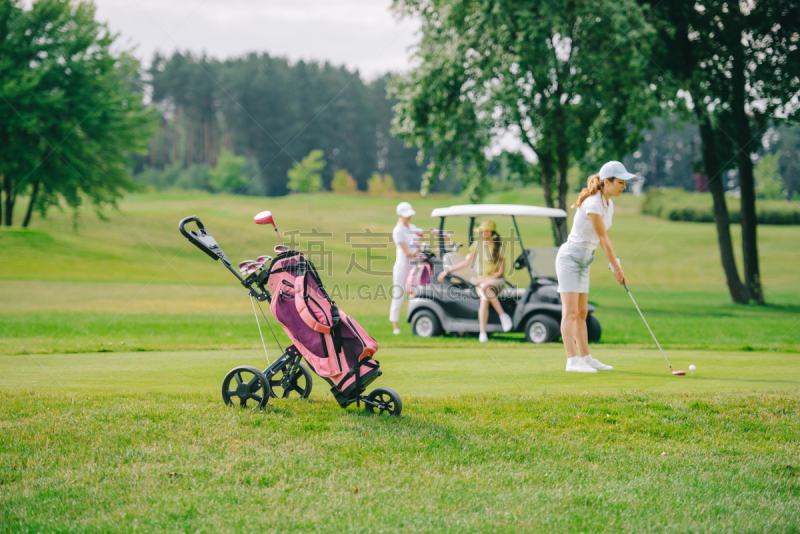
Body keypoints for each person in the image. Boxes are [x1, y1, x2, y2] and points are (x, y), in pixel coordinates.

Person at [556, 160, 631, 373]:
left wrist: (614, 263)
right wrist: (616, 268)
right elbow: (604, 240)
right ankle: (572, 361)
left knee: (581, 314)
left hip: (585, 260)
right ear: (606, 182)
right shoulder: (593, 204)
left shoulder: (609, 204)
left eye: (624, 183)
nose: (623, 187)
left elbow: (603, 239)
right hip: (570, 259)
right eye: (620, 182)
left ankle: (586, 357)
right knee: (569, 313)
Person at [437, 220, 512, 342]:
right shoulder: (477, 245)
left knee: (486, 288)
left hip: (495, 280)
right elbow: (467, 262)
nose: (482, 234)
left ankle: (502, 315)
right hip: (481, 281)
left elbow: (500, 272)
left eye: (485, 231)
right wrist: (448, 271)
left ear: (491, 232)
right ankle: (483, 333)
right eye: (481, 231)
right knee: (485, 299)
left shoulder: (499, 247)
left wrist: (485, 281)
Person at [390, 202, 418, 335]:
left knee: (415, 293)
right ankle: (395, 326)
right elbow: (407, 252)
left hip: (414, 265)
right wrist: (419, 254)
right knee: (398, 295)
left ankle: (415, 321)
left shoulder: (412, 227)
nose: (409, 218)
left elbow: (417, 245)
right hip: (402, 265)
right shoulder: (398, 230)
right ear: (399, 215)